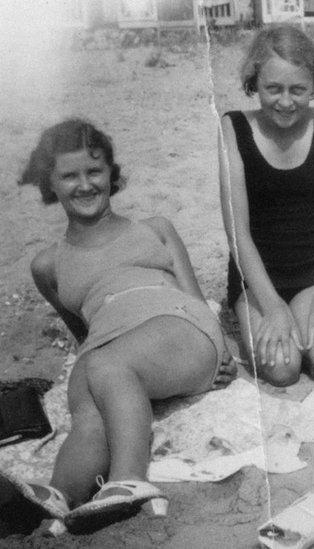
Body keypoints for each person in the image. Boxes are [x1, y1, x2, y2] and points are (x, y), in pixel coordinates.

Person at [7, 119, 237, 533]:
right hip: (111, 349)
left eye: (94, 171)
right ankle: (59, 501)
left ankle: (130, 480)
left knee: (106, 368)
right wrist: (87, 368)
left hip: (177, 328)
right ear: (51, 185)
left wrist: (223, 349)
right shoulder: (48, 264)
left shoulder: (155, 229)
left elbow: (197, 302)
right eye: (69, 176)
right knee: (90, 409)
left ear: (112, 174)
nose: (84, 184)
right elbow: (84, 332)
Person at [219, 25, 314, 387]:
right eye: (273, 89)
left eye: (298, 89)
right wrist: (274, 307)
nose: (285, 101)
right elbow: (237, 233)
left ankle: (309, 310)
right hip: (256, 278)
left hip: (312, 275)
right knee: (282, 368)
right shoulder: (233, 128)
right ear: (254, 84)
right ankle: (250, 312)